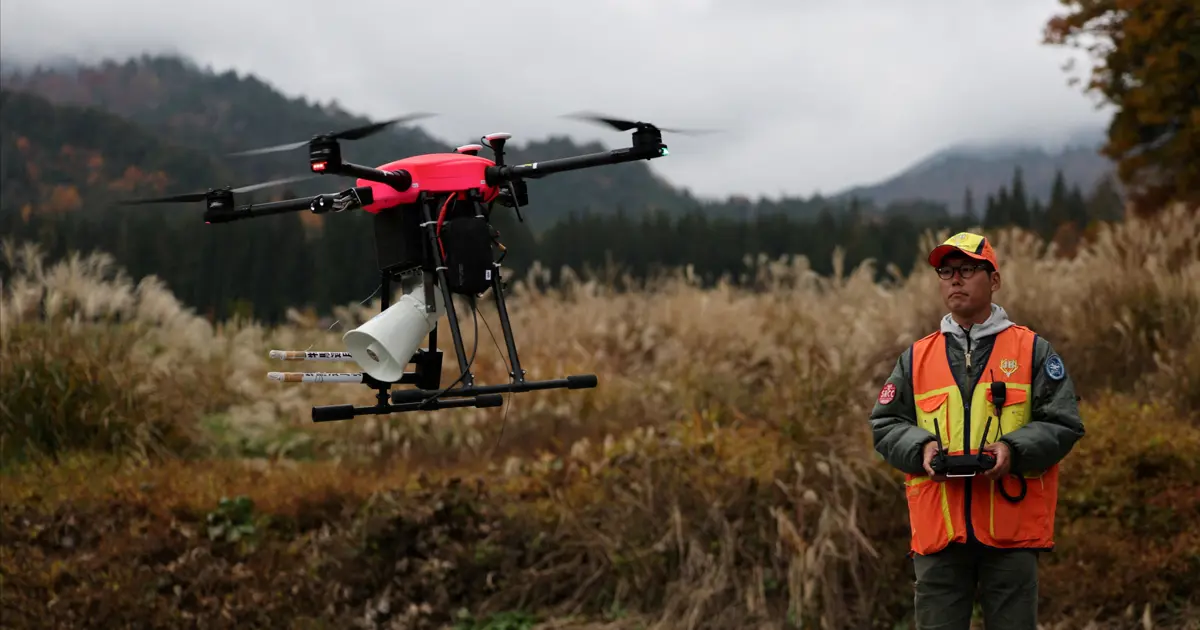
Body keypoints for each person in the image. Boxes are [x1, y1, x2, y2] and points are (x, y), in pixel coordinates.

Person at [868, 231, 1086, 630]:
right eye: (947, 271)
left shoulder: (1033, 350)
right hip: (940, 534)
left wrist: (1012, 450)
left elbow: (1063, 422)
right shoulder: (916, 357)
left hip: (1011, 532)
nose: (955, 279)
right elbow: (884, 424)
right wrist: (922, 450)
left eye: (967, 269)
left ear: (994, 280)